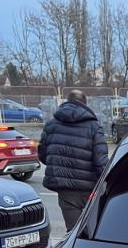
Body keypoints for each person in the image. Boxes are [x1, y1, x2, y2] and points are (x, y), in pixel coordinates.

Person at [38, 89, 108, 231]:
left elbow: (43, 155)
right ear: (85, 104)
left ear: (67, 102)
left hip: (65, 189)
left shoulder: (51, 125)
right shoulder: (94, 127)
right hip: (90, 188)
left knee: (73, 231)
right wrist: (109, 183)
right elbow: (101, 162)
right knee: (95, 230)